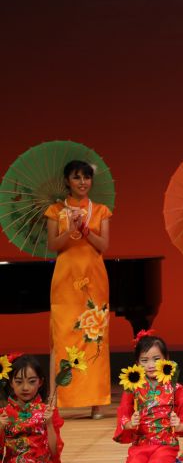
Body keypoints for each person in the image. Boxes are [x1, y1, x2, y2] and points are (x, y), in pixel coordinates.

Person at [45, 160, 112, 418]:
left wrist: (85, 230)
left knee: (95, 339)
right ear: (67, 181)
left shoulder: (100, 210)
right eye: (77, 177)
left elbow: (103, 245)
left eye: (86, 177)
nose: (83, 182)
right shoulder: (55, 210)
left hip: (94, 279)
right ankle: (56, 399)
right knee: (62, 336)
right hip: (65, 280)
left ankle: (96, 402)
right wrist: (70, 229)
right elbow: (54, 244)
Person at [113, 331, 183, 463]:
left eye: (156, 359)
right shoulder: (132, 387)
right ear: (137, 363)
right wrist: (130, 423)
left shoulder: (176, 388)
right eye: (144, 360)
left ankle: (172, 461)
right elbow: (123, 415)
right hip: (141, 444)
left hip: (165, 444)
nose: (150, 365)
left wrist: (178, 425)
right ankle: (139, 462)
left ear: (166, 358)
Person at [0, 355, 64, 463]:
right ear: (11, 382)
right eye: (19, 382)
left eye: (32, 381)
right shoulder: (4, 414)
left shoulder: (47, 412)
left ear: (40, 382)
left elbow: (54, 452)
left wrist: (49, 424)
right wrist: (0, 427)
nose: (25, 387)